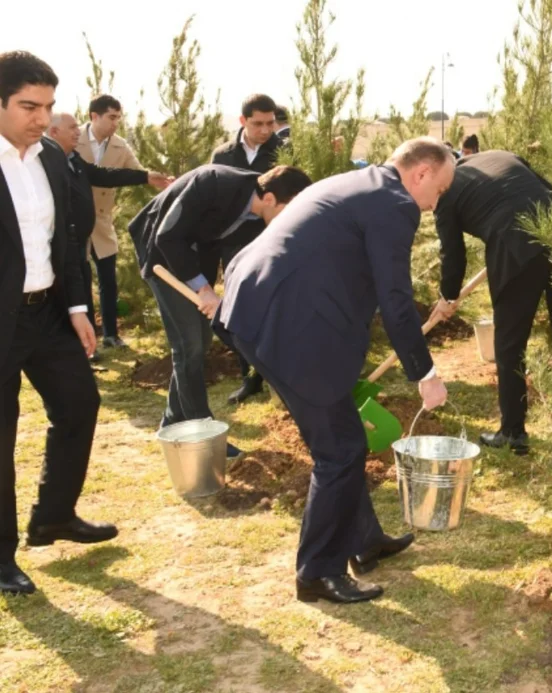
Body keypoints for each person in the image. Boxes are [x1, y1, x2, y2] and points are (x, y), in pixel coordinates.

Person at [215, 138, 454, 604]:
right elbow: (395, 298)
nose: (434, 204)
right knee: (340, 448)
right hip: (287, 323)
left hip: (257, 304)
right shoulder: (395, 203)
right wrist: (424, 372)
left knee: (341, 434)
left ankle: (363, 542)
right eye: (440, 190)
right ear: (421, 173)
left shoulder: (357, 182)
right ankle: (317, 574)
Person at [0, 51, 119, 596]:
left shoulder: (51, 157)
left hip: (47, 313)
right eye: (29, 106)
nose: (42, 118)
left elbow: (67, 240)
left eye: (48, 106)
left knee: (79, 403)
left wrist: (76, 307)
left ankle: (53, 515)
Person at [128, 164, 312, 458]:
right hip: (162, 255)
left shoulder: (258, 218)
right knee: (188, 346)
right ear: (268, 199)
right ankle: (204, 432)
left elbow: (251, 262)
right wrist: (202, 289)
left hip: (196, 259)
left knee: (199, 343)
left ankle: (172, 421)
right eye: (288, 210)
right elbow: (167, 236)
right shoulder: (212, 183)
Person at [431, 150, 552, 455]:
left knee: (510, 343)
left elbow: (452, 255)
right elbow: (548, 189)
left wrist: (446, 296)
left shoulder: (445, 192)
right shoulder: (500, 155)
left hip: (514, 244)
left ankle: (512, 432)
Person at [46, 112, 169, 362]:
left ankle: (89, 344)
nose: (77, 131)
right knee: (70, 293)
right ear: (53, 132)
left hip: (79, 241)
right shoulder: (47, 163)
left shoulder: (74, 159)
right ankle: (76, 349)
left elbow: (104, 175)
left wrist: (144, 177)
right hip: (62, 244)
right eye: (71, 128)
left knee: (86, 287)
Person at [211, 94, 286, 404]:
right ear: (243, 122)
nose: (266, 130)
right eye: (258, 124)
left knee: (274, 308)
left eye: (271, 123)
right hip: (234, 244)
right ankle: (249, 379)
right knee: (239, 310)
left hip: (273, 242)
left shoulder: (283, 152)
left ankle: (278, 375)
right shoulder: (223, 155)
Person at [75, 94, 145, 351]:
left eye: (119, 117)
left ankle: (111, 335)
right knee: (81, 285)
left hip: (103, 222)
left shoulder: (120, 146)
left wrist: (158, 180)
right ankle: (87, 340)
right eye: (111, 117)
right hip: (74, 223)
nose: (116, 123)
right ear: (94, 116)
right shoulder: (72, 140)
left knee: (108, 280)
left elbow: (138, 173)